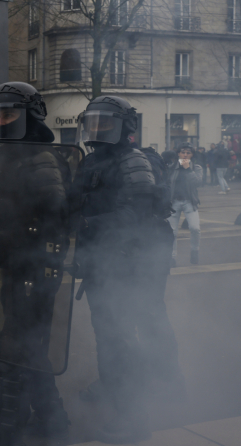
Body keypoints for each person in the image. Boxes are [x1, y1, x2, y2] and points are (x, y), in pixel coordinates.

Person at [73, 96, 182, 443]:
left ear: (125, 127)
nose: (97, 130)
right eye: (92, 122)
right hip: (105, 256)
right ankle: (117, 386)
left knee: (130, 328)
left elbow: (134, 215)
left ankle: (139, 409)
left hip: (135, 257)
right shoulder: (92, 162)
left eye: (105, 123)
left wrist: (87, 222)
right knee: (110, 331)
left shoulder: (134, 160)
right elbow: (73, 199)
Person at [0, 83, 72, 445]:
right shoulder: (6, 155)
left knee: (13, 351)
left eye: (9, 114)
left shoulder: (42, 160)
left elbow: (53, 225)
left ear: (30, 115)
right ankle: (53, 421)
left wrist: (8, 245)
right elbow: (4, 215)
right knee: (29, 349)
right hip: (15, 270)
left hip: (35, 273)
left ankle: (9, 433)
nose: (1, 121)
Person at [164, 143, 202, 265]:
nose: (185, 155)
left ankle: (194, 251)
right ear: (178, 153)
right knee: (172, 232)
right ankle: (172, 257)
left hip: (189, 202)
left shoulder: (196, 168)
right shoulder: (171, 167)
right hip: (174, 202)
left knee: (195, 228)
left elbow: (197, 183)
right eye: (183, 152)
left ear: (192, 155)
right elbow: (166, 183)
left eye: (188, 153)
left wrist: (188, 169)